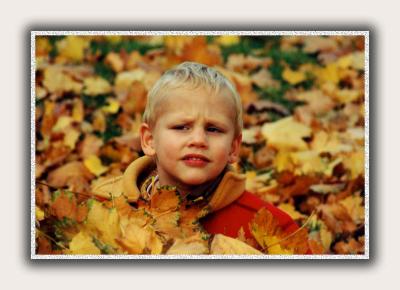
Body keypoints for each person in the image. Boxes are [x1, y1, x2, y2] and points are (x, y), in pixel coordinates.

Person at [93, 61, 307, 253]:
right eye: (181, 127)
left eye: (213, 129)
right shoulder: (104, 209)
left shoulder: (273, 228)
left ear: (233, 147)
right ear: (149, 140)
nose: (198, 139)